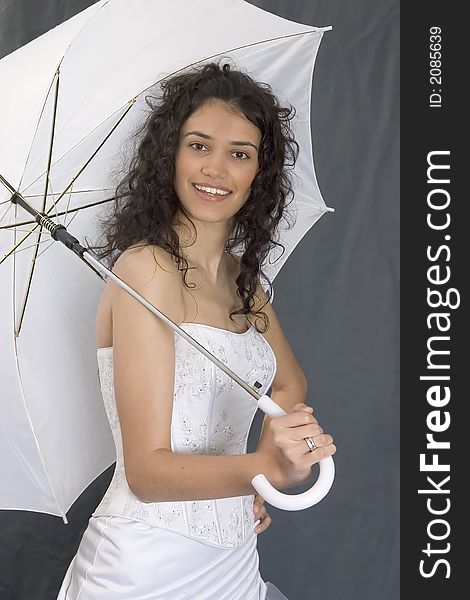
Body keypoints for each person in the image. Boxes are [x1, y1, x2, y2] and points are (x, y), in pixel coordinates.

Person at [57, 61, 336, 600]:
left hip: (233, 561)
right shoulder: (146, 271)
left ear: (260, 173)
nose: (216, 170)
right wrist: (262, 468)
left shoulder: (244, 285)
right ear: (171, 156)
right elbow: (148, 474)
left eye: (239, 154)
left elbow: (289, 386)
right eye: (199, 145)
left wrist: (247, 481)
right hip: (146, 566)